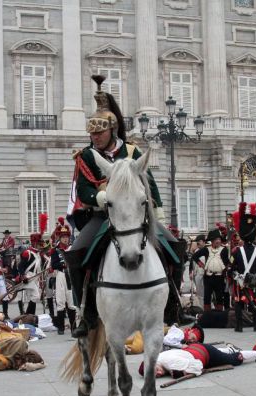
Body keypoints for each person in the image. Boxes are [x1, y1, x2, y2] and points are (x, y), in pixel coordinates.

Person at [64, 74, 175, 338]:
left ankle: (174, 304)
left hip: (134, 215)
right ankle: (86, 312)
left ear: (111, 130)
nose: (94, 137)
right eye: (91, 132)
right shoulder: (86, 156)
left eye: (99, 132)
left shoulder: (132, 152)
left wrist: (157, 211)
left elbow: (149, 182)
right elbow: (83, 189)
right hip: (102, 216)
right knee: (76, 253)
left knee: (173, 246)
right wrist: (99, 198)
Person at [139, 343, 256, 378]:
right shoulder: (158, 357)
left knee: (235, 359)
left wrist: (180, 373)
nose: (158, 374)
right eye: (154, 376)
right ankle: (228, 349)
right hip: (197, 350)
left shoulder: (170, 363)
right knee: (221, 354)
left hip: (205, 354)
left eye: (155, 371)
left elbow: (198, 367)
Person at [230, 202, 256, 332]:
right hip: (254, 279)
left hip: (240, 280)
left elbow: (231, 267)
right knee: (254, 302)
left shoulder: (236, 251)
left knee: (239, 303)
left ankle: (239, 326)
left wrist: (236, 278)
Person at [192, 228, 229, 312]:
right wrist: (202, 265)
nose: (218, 241)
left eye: (219, 239)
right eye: (216, 239)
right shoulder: (206, 249)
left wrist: (226, 270)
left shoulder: (224, 250)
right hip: (208, 277)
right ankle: (207, 316)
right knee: (207, 297)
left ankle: (219, 316)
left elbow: (226, 262)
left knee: (219, 297)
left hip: (219, 277)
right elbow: (195, 257)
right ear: (212, 241)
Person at [50, 220, 77, 335]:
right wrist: (63, 264)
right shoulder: (55, 250)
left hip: (71, 276)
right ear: (60, 238)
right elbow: (54, 264)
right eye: (63, 237)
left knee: (71, 302)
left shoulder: (73, 248)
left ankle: (74, 327)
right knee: (60, 301)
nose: (66, 239)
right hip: (61, 275)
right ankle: (61, 327)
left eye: (67, 237)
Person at [16, 215, 46, 317]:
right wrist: (23, 276)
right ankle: (29, 315)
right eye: (39, 243)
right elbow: (20, 266)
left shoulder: (38, 254)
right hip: (28, 277)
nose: (40, 245)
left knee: (32, 297)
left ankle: (29, 316)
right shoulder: (27, 253)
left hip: (35, 278)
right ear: (34, 243)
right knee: (36, 295)